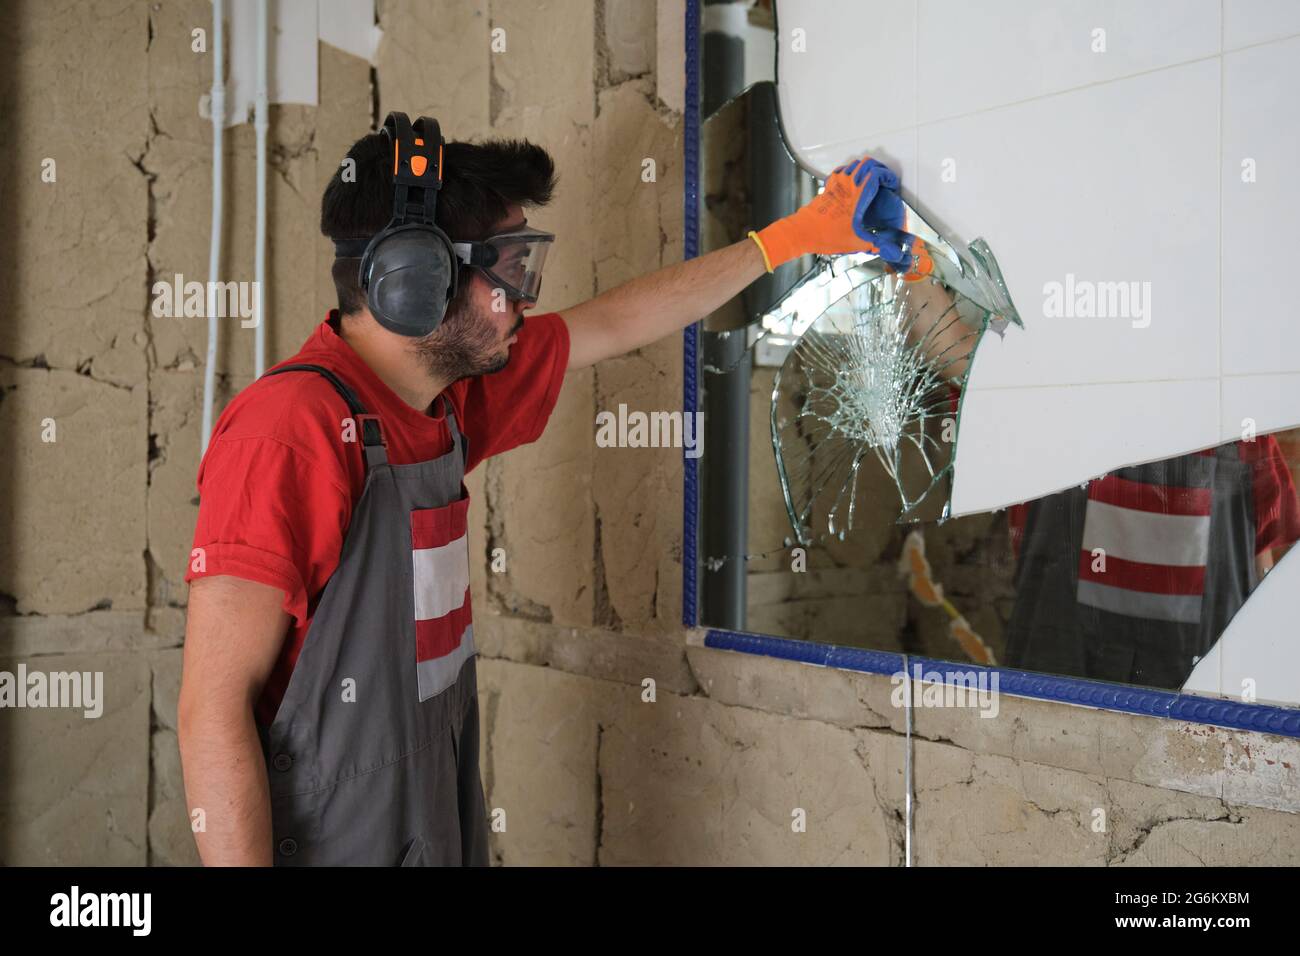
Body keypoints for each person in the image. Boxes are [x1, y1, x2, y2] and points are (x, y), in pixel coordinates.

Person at [177, 114, 907, 865]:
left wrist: (792, 239)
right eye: (511, 269)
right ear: (415, 280)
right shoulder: (291, 432)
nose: (525, 299)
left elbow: (618, 320)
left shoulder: (444, 402)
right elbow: (211, 713)